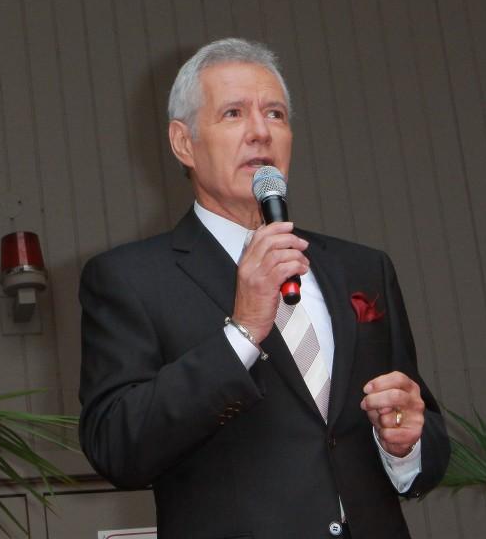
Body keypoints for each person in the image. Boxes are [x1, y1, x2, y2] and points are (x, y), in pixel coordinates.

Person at [78, 38, 449, 539]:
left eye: (275, 114)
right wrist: (243, 332)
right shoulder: (131, 279)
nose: (260, 131)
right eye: (233, 113)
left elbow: (424, 429)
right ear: (183, 142)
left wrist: (405, 445)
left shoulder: (363, 269)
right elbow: (116, 447)